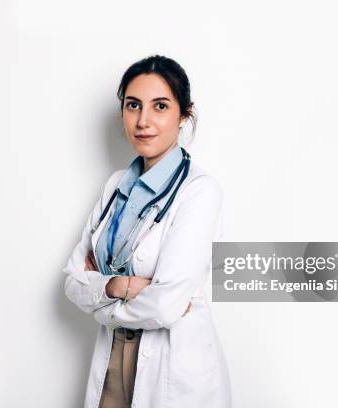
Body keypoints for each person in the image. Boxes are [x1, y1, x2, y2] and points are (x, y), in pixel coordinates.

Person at [63, 55, 232, 408]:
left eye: (160, 106)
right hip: (113, 359)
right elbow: (71, 281)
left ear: (184, 113)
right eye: (133, 105)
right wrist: (118, 285)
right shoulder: (113, 187)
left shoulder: (200, 191)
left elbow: (166, 306)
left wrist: (99, 299)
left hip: (172, 368)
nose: (143, 121)